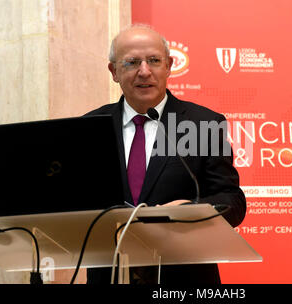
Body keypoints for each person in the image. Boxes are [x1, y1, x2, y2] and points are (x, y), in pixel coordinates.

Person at [85, 24, 246, 284]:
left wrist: (191, 212)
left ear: (169, 66)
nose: (144, 71)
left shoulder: (201, 124)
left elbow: (232, 200)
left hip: (184, 277)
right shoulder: (89, 127)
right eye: (131, 62)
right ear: (114, 71)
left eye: (154, 61)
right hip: (111, 274)